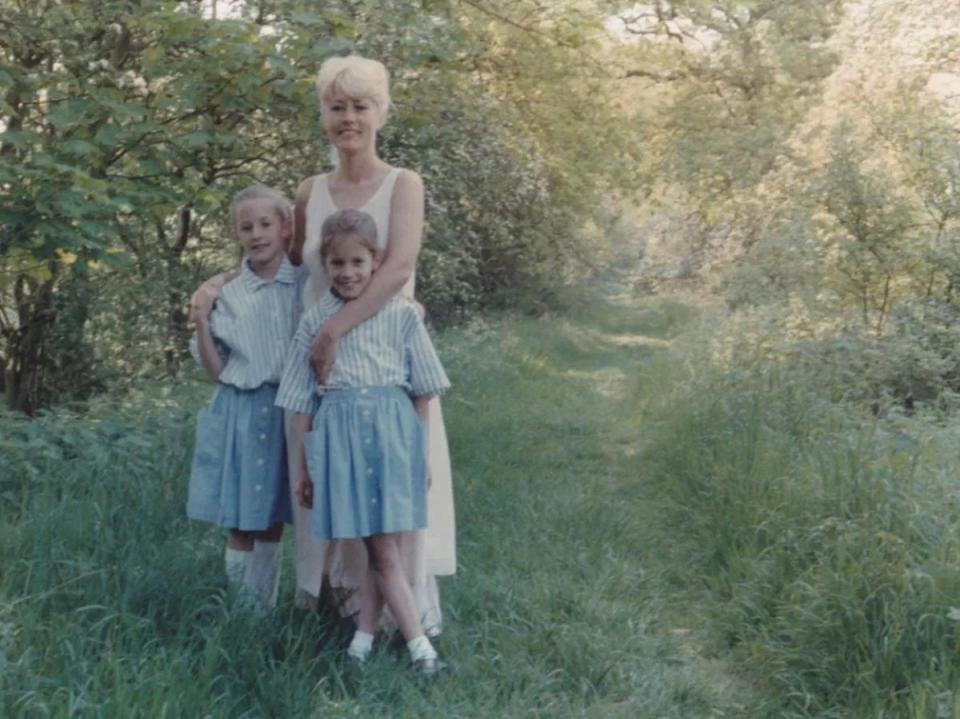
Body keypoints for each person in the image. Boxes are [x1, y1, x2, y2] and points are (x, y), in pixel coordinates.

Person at [189, 54, 457, 629]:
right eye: (337, 107)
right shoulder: (311, 191)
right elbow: (282, 267)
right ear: (324, 116)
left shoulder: (403, 184)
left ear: (381, 113)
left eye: (361, 106)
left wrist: (336, 329)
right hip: (316, 370)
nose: (348, 118)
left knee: (388, 490)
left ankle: (399, 621)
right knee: (322, 483)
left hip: (382, 363)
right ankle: (330, 609)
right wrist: (221, 283)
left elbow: (397, 268)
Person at [276, 208, 449, 672]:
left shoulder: (401, 316)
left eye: (358, 262)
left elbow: (423, 390)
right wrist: (308, 466)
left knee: (383, 549)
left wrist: (419, 449)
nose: (348, 273)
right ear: (325, 266)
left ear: (375, 261)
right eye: (338, 264)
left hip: (391, 437)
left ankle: (386, 646)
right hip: (343, 442)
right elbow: (301, 404)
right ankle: (408, 648)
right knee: (379, 549)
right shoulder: (316, 323)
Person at [187, 185, 303, 611]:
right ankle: (240, 612)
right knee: (239, 517)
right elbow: (216, 371)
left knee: (271, 516)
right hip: (240, 407)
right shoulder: (227, 294)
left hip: (287, 410)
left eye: (266, 224)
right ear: (237, 234)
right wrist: (201, 319)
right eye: (246, 227)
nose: (257, 235)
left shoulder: (303, 284)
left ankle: (265, 610)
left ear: (286, 227)